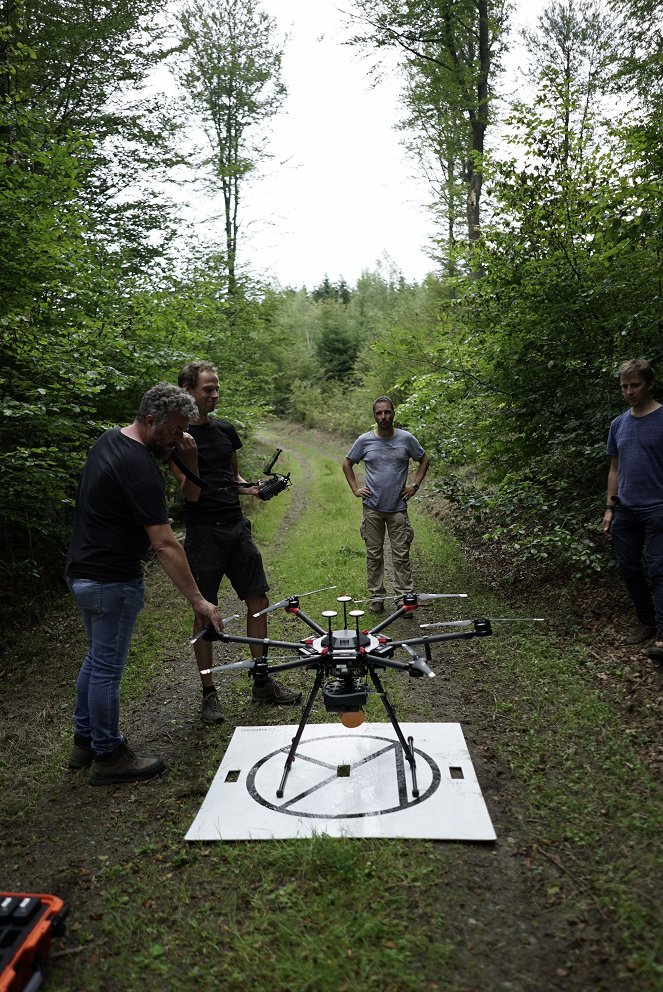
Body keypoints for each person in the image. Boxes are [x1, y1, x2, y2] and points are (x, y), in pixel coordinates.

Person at [66, 383, 223, 786]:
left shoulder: (109, 440)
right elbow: (165, 543)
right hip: (111, 579)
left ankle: (84, 741)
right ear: (151, 420)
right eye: (174, 430)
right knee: (106, 668)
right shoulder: (138, 467)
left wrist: (184, 457)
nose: (179, 438)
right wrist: (199, 601)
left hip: (83, 571)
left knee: (95, 658)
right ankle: (108, 755)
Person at [171, 360, 301, 722]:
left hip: (236, 527)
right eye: (207, 389)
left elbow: (232, 476)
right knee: (205, 610)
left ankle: (261, 681)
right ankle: (208, 693)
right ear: (188, 392)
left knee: (257, 600)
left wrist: (253, 489)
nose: (215, 394)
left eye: (216, 388)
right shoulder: (177, 439)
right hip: (204, 533)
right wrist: (192, 459)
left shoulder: (226, 430)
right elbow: (190, 495)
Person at [342, 396, 429, 613]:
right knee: (374, 554)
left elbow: (424, 460)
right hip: (372, 508)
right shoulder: (364, 441)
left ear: (393, 413)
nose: (383, 416)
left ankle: (404, 599)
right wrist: (355, 489)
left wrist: (414, 486)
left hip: (398, 508)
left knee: (401, 555)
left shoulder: (406, 439)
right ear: (374, 416)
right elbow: (347, 463)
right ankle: (377, 597)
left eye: (387, 412)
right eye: (379, 413)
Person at [603, 358, 663, 656]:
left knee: (659, 568)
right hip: (625, 508)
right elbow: (614, 468)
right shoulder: (619, 424)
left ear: (650, 383)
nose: (629, 391)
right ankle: (647, 621)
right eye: (625, 386)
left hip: (658, 509)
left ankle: (662, 633)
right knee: (628, 568)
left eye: (635, 385)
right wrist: (609, 507)